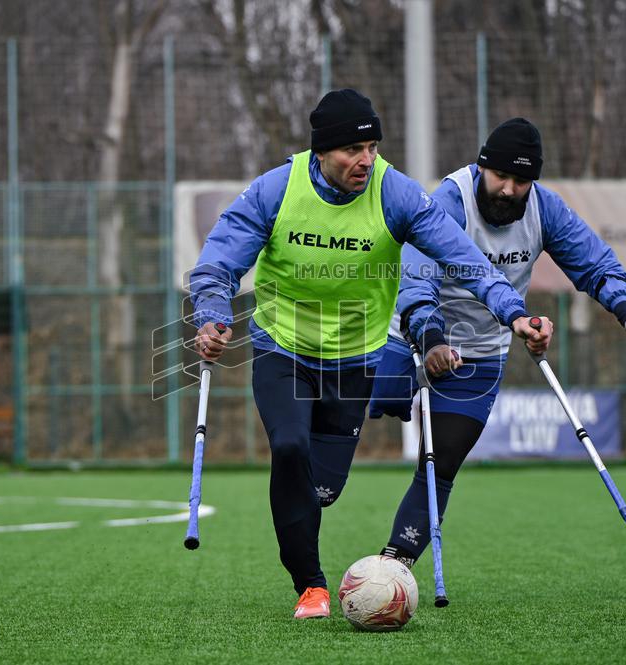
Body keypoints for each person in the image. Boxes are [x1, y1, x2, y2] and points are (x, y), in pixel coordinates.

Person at [189, 91, 554, 619]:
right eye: (354, 149)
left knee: (321, 489)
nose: (366, 160)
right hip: (283, 348)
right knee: (289, 447)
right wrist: (213, 315)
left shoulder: (395, 193)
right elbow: (218, 263)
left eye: (373, 147)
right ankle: (310, 585)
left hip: (355, 356)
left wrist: (511, 311)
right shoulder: (275, 190)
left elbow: (464, 257)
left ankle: (312, 522)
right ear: (322, 151)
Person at [368, 117, 626, 569]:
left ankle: (394, 564)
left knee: (441, 460)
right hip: (409, 332)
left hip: (481, 348)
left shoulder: (546, 209)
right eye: (501, 175)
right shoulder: (450, 199)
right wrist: (431, 338)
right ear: (482, 167)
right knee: (341, 432)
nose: (508, 188)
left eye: (521, 180)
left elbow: (595, 263)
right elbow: (416, 276)